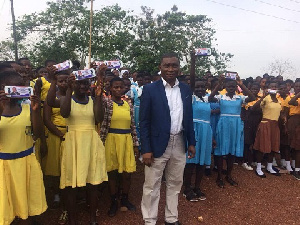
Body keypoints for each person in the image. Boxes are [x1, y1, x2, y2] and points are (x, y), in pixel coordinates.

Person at [47, 66, 108, 225]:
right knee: (70, 184)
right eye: (79, 84)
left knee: (93, 182)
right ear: (73, 85)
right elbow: (65, 113)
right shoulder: (67, 99)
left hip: (90, 142)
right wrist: (68, 89)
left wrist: (99, 96)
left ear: (89, 85)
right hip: (73, 142)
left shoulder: (93, 100)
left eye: (85, 84)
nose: (83, 86)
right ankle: (73, 219)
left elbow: (99, 118)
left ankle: (92, 218)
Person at [140, 52, 196, 225]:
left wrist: (191, 142)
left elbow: (188, 117)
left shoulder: (185, 89)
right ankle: (150, 220)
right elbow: (144, 121)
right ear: (160, 68)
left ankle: (171, 218)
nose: (171, 69)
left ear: (179, 68)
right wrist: (146, 149)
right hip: (157, 144)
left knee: (175, 182)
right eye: (167, 65)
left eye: (174, 65)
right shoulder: (150, 89)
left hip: (179, 142)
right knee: (152, 185)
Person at [0, 71, 47, 225]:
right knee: (7, 207)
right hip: (4, 166)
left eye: (22, 85)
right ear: (3, 88)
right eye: (15, 86)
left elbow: (38, 133)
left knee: (26, 207)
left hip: (26, 162)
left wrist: (35, 111)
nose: (20, 88)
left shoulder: (27, 107)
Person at [100, 76, 139, 217]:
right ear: (110, 88)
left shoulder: (128, 103)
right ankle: (113, 201)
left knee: (127, 174)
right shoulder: (107, 103)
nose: (118, 89)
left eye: (120, 87)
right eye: (115, 87)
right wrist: (99, 77)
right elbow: (98, 100)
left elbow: (132, 125)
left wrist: (136, 144)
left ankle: (125, 199)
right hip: (111, 140)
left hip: (126, 140)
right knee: (113, 174)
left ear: (124, 88)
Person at [208, 75, 255, 187]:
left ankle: (229, 175)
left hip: (236, 125)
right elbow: (210, 98)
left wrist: (241, 84)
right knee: (220, 151)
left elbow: (252, 97)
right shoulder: (221, 97)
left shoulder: (240, 98)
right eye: (228, 85)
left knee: (231, 151)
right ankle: (219, 176)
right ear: (225, 86)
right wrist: (219, 83)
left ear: (235, 87)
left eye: (233, 86)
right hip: (223, 125)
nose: (230, 87)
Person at [42, 70, 69, 210]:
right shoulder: (51, 96)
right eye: (60, 81)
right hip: (55, 134)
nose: (63, 83)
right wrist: (59, 134)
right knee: (55, 168)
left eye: (66, 80)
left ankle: (69, 195)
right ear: (56, 82)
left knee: (68, 167)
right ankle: (56, 194)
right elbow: (46, 119)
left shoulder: (74, 95)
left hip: (71, 135)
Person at [183, 79, 212, 202]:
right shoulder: (191, 98)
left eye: (202, 87)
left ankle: (197, 187)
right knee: (191, 162)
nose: (200, 89)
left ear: (206, 88)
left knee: (202, 161)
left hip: (206, 131)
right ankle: (187, 189)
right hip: (194, 130)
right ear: (193, 88)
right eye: (197, 87)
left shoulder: (207, 100)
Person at [252, 82, 282, 177]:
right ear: (268, 88)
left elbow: (279, 112)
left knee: (273, 147)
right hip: (265, 123)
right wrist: (262, 97)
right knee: (262, 146)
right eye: (272, 86)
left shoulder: (278, 100)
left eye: (275, 87)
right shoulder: (266, 98)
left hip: (275, 125)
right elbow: (253, 108)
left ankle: (269, 167)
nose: (274, 88)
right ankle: (258, 168)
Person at [241, 82, 262, 171]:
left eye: (256, 89)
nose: (254, 91)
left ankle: (253, 160)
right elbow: (249, 110)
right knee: (247, 142)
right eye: (252, 89)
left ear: (258, 90)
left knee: (255, 141)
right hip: (248, 122)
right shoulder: (247, 99)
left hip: (257, 122)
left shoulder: (261, 99)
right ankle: (244, 161)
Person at [287, 80, 300, 179]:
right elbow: (291, 103)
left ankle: (297, 168)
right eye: (296, 86)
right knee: (294, 146)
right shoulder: (291, 97)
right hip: (293, 121)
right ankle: (295, 169)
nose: (298, 88)